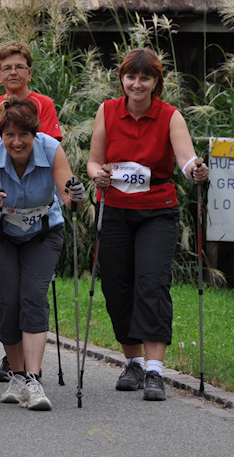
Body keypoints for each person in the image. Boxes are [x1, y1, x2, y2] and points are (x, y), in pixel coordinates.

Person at [87, 47, 208, 402]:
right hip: (115, 208)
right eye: (131, 77)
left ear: (156, 82)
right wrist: (100, 176)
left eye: (145, 78)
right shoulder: (107, 111)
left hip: (157, 209)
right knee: (116, 286)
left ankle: (155, 372)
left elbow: (185, 159)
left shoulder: (170, 116)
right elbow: (94, 163)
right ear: (122, 79)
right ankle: (134, 362)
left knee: (152, 284)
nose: (137, 84)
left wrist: (195, 170)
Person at [0, 97, 84, 411]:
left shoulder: (51, 150)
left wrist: (78, 196)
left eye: (23, 134)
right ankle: (17, 375)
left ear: (35, 134)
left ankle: (33, 379)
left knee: (34, 295)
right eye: (9, 135)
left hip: (42, 233)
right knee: (7, 298)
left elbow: (70, 198)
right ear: (1, 136)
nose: (16, 142)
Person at [0, 40, 63, 383]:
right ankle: (13, 358)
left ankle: (27, 368)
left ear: (29, 70)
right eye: (6, 67)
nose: (12, 72)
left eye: (19, 66)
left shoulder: (43, 105)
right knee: (4, 291)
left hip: (35, 201)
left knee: (31, 291)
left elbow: (47, 149)